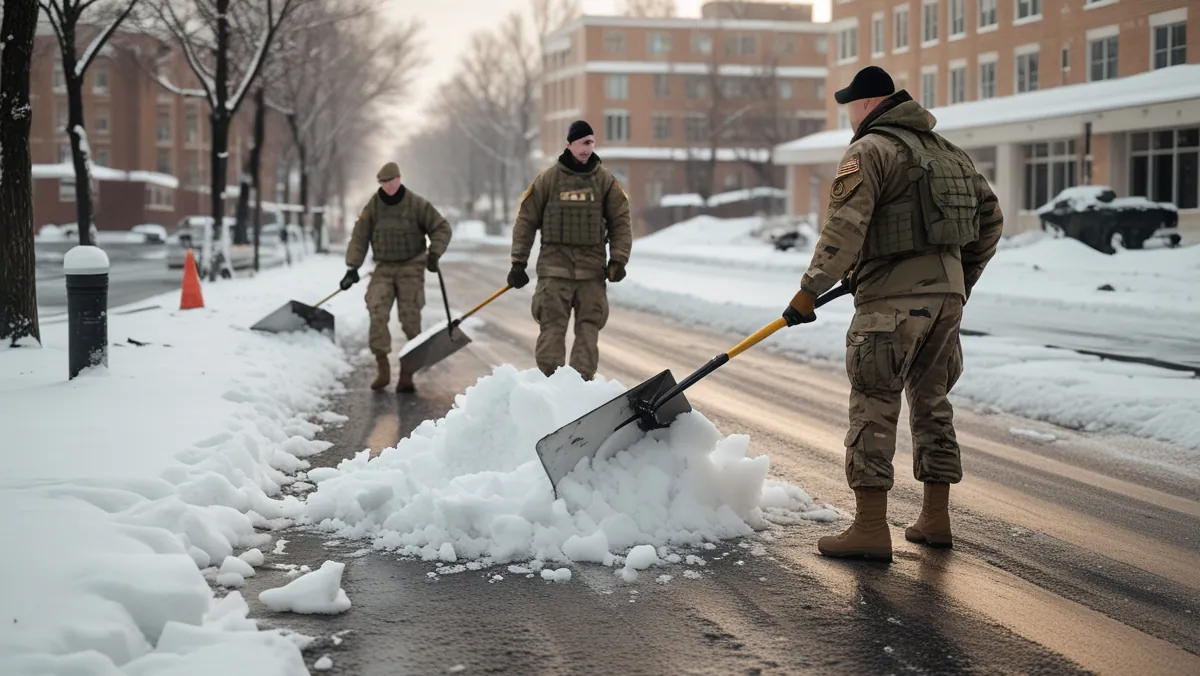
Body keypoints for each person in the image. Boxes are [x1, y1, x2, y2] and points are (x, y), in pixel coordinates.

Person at [782, 66, 1004, 562]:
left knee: (874, 401)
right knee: (933, 401)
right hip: (946, 302)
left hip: (891, 303)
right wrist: (958, 280)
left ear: (865, 104)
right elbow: (991, 219)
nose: (849, 117)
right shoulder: (949, 153)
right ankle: (935, 518)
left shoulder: (869, 150)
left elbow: (844, 228)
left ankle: (869, 528)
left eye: (850, 107)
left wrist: (808, 291)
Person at [508, 120, 633, 381]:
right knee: (552, 329)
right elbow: (526, 221)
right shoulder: (547, 180)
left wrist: (619, 259)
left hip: (591, 274)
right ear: (570, 145)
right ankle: (549, 385)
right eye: (583, 143)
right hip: (554, 273)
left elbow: (621, 222)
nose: (588, 148)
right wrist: (518, 262)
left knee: (589, 330)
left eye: (591, 143)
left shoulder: (606, 182)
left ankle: (580, 388)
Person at [341, 162, 452, 392]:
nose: (386, 186)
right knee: (376, 309)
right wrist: (352, 267)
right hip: (384, 267)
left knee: (410, 319)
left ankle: (407, 372)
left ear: (399, 179)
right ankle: (382, 367)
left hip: (411, 266)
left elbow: (441, 228)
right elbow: (360, 236)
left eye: (389, 181)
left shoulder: (417, 204)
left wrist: (434, 253)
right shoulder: (374, 206)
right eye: (382, 182)